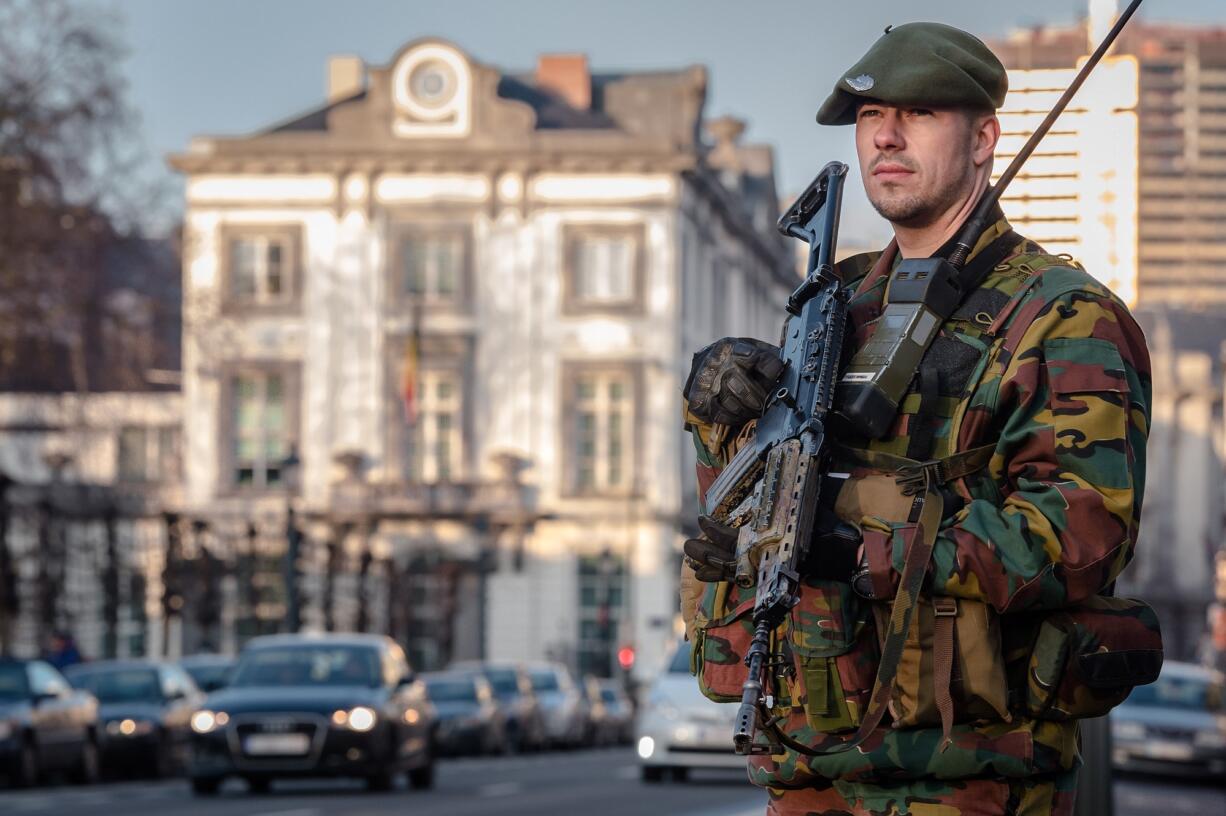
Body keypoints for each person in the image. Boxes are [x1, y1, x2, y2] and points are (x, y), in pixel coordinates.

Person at [680, 22, 1153, 816]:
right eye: (869, 118)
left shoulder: (1062, 317)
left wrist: (858, 551)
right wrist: (719, 412)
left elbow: (1077, 537)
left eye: (921, 114)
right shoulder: (837, 303)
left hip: (965, 778)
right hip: (808, 768)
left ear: (983, 138)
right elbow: (749, 501)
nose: (887, 137)